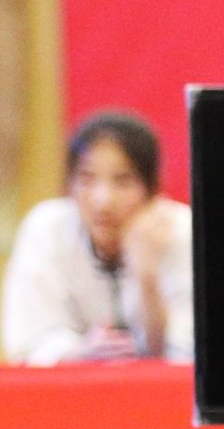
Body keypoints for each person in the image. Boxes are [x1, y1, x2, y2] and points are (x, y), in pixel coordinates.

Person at [2, 110, 193, 365]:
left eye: (123, 181)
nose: (103, 200)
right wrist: (79, 351)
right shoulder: (47, 229)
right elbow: (28, 341)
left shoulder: (182, 230)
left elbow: (186, 355)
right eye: (86, 178)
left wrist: (146, 276)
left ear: (152, 189)